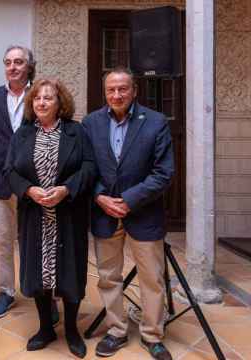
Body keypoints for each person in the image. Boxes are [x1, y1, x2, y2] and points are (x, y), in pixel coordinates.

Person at [82, 67, 174, 360]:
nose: (117, 95)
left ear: (134, 91)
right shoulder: (91, 123)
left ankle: (152, 335)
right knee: (108, 277)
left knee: (151, 279)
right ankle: (116, 331)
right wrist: (99, 197)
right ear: (105, 92)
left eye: (123, 89)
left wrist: (129, 200)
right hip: (104, 214)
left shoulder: (156, 122)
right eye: (111, 90)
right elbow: (85, 168)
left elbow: (164, 172)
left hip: (143, 213)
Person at [4, 79, 95, 358]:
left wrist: (66, 189)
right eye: (37, 99)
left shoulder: (75, 131)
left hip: (67, 213)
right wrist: (29, 190)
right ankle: (45, 328)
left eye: (48, 98)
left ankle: (70, 330)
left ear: (60, 103)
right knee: (37, 271)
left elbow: (90, 166)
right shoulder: (22, 133)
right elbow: (9, 170)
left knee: (69, 270)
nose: (42, 103)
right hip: (35, 213)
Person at [0, 45, 59, 323]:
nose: (13, 67)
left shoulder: (41, 96)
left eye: (19, 62)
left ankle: (46, 294)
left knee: (41, 240)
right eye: (8, 62)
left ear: (29, 66)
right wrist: (8, 163)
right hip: (3, 181)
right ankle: (5, 291)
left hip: (38, 182)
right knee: (2, 240)